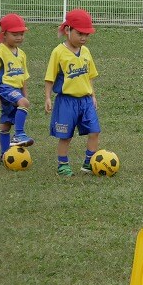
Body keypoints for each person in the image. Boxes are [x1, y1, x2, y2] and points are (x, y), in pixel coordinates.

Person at [44, 9, 100, 177]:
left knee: (95, 131)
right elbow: (50, 77)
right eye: (80, 33)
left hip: (85, 101)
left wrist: (93, 95)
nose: (83, 38)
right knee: (66, 136)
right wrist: (47, 97)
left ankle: (88, 163)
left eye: (86, 35)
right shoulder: (58, 52)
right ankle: (63, 165)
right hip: (66, 101)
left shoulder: (86, 52)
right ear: (68, 30)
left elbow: (90, 76)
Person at [0, 13, 35, 162]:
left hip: (16, 91)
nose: (19, 37)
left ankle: (4, 155)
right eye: (15, 34)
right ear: (4, 34)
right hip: (4, 87)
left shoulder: (22, 54)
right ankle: (19, 134)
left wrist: (24, 94)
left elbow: (24, 77)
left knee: (5, 123)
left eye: (21, 34)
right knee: (23, 103)